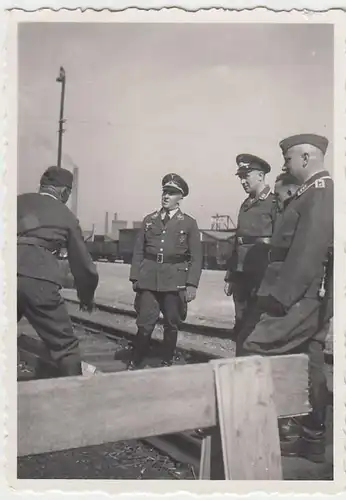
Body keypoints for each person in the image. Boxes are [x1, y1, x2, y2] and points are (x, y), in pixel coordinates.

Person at [237, 134, 333, 463]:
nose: (285, 165)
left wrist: (280, 298)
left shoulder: (319, 194)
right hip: (307, 294)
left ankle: (252, 431)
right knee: (311, 360)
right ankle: (311, 438)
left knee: (253, 346)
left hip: (301, 295)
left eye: (288, 159)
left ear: (306, 158)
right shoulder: (311, 193)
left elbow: (308, 253)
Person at [17, 166, 99, 377]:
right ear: (63, 192)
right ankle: (72, 397)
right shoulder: (66, 216)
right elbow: (83, 265)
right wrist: (86, 296)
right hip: (39, 279)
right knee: (65, 347)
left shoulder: (16, 201)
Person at [128, 173, 203, 369]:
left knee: (172, 323)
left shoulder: (189, 223)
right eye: (164, 192)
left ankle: (166, 361)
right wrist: (135, 277)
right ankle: (136, 360)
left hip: (174, 280)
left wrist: (191, 284)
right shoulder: (149, 220)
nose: (166, 196)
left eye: (171, 193)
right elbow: (138, 251)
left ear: (181, 197)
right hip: (149, 279)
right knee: (144, 323)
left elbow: (196, 257)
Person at [224, 154, 276, 337]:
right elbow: (237, 241)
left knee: (257, 323)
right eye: (240, 177)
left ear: (260, 176)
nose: (242, 181)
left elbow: (280, 241)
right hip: (240, 273)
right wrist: (230, 276)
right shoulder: (246, 204)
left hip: (261, 273)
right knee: (240, 319)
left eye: (246, 175)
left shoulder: (274, 202)